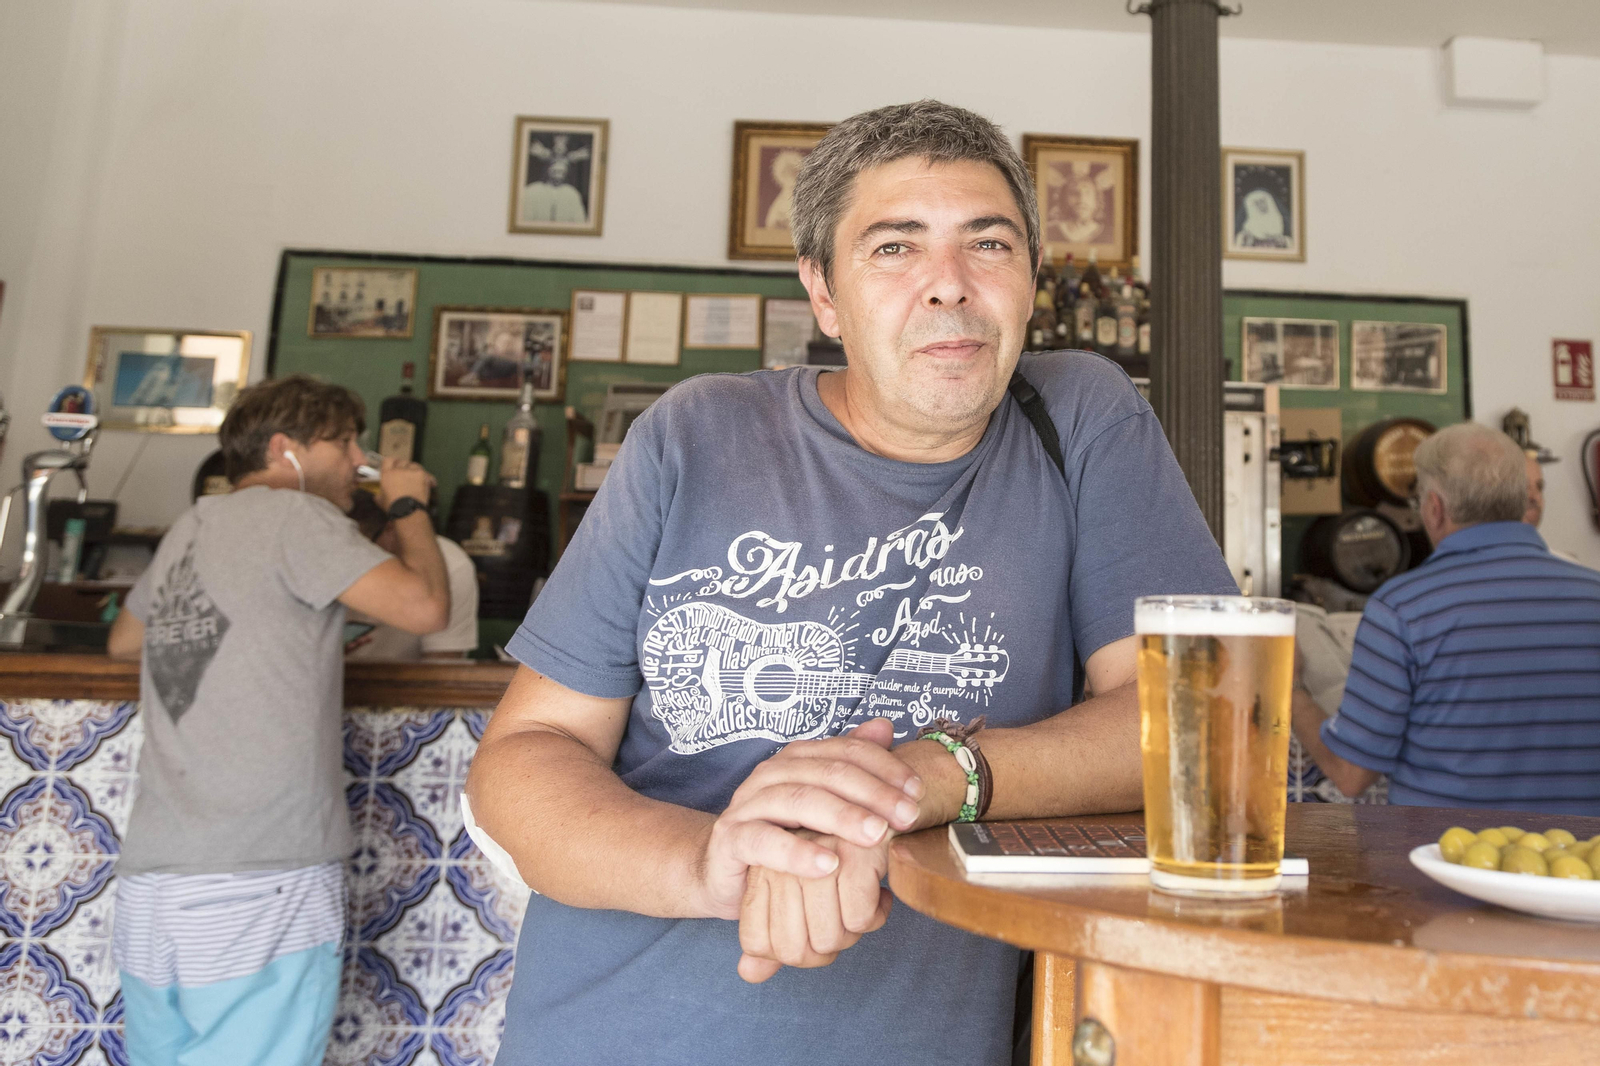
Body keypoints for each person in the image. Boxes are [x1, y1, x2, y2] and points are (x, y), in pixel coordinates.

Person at [465, 99, 1235, 1066]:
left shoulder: (1076, 416)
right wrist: (711, 864)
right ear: (823, 293)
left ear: (1032, 280)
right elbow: (528, 751)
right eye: (894, 249)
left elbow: (1199, 723)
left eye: (987, 244)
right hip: (616, 1028)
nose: (948, 286)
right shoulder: (698, 433)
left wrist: (922, 777)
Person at [105, 374, 450, 1066]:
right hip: (260, 877)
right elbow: (426, 610)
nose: (358, 460)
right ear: (285, 448)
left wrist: (291, 636)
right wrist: (407, 504)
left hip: (154, 883)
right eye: (344, 441)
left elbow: (125, 641)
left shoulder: (193, 524)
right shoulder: (298, 517)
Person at [1290, 422, 1600, 813]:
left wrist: (1292, 690)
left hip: (1447, 863)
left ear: (1434, 508)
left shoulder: (1402, 608)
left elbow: (1350, 774)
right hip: (1582, 866)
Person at [346, 489, 480, 660]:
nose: (350, 561)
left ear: (390, 529)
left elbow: (442, 665)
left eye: (363, 549)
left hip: (406, 682)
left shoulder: (451, 563)